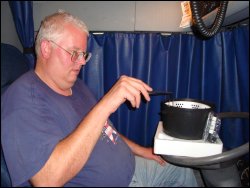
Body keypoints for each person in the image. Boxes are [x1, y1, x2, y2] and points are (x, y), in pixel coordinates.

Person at [1, 10, 198, 187]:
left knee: (182, 168)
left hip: (133, 169)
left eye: (83, 54)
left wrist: (142, 151)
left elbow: (105, 130)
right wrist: (105, 105)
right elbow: (47, 180)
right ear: (46, 48)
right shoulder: (21, 99)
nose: (81, 62)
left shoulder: (76, 86)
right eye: (74, 53)